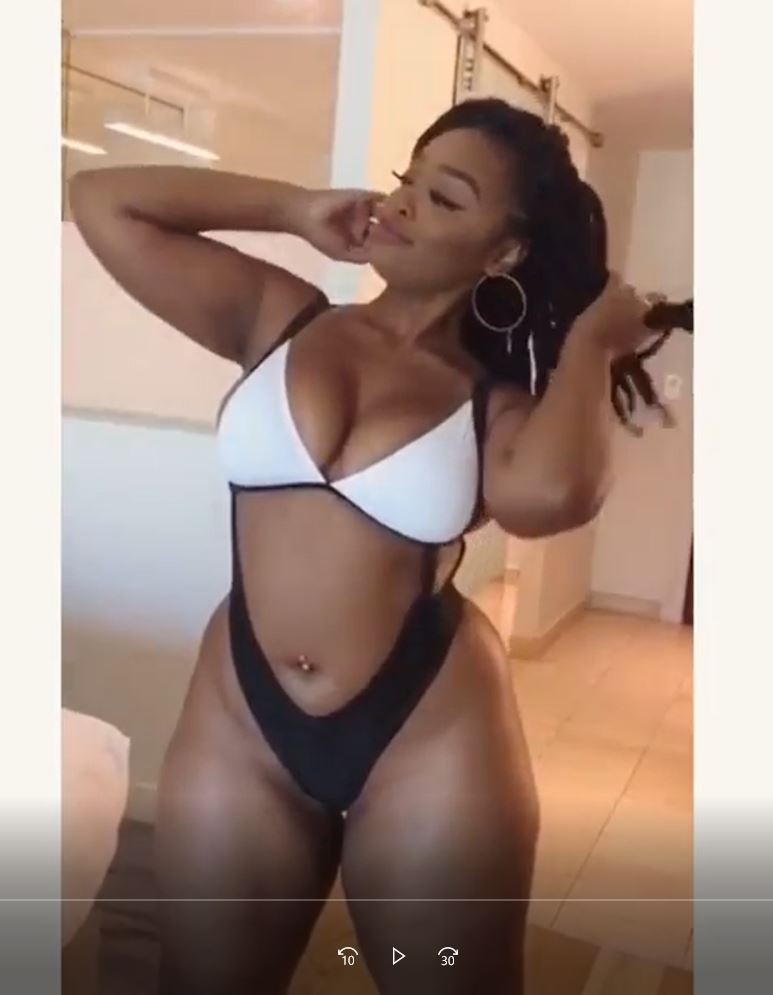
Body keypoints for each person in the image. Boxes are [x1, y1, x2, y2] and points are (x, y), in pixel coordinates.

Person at [69, 98, 660, 995]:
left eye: (445, 198)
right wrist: (292, 209)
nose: (403, 203)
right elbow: (104, 200)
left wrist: (590, 345)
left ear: (502, 253)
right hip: (242, 716)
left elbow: (553, 497)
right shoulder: (279, 315)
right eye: (405, 180)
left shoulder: (492, 401)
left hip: (425, 729)